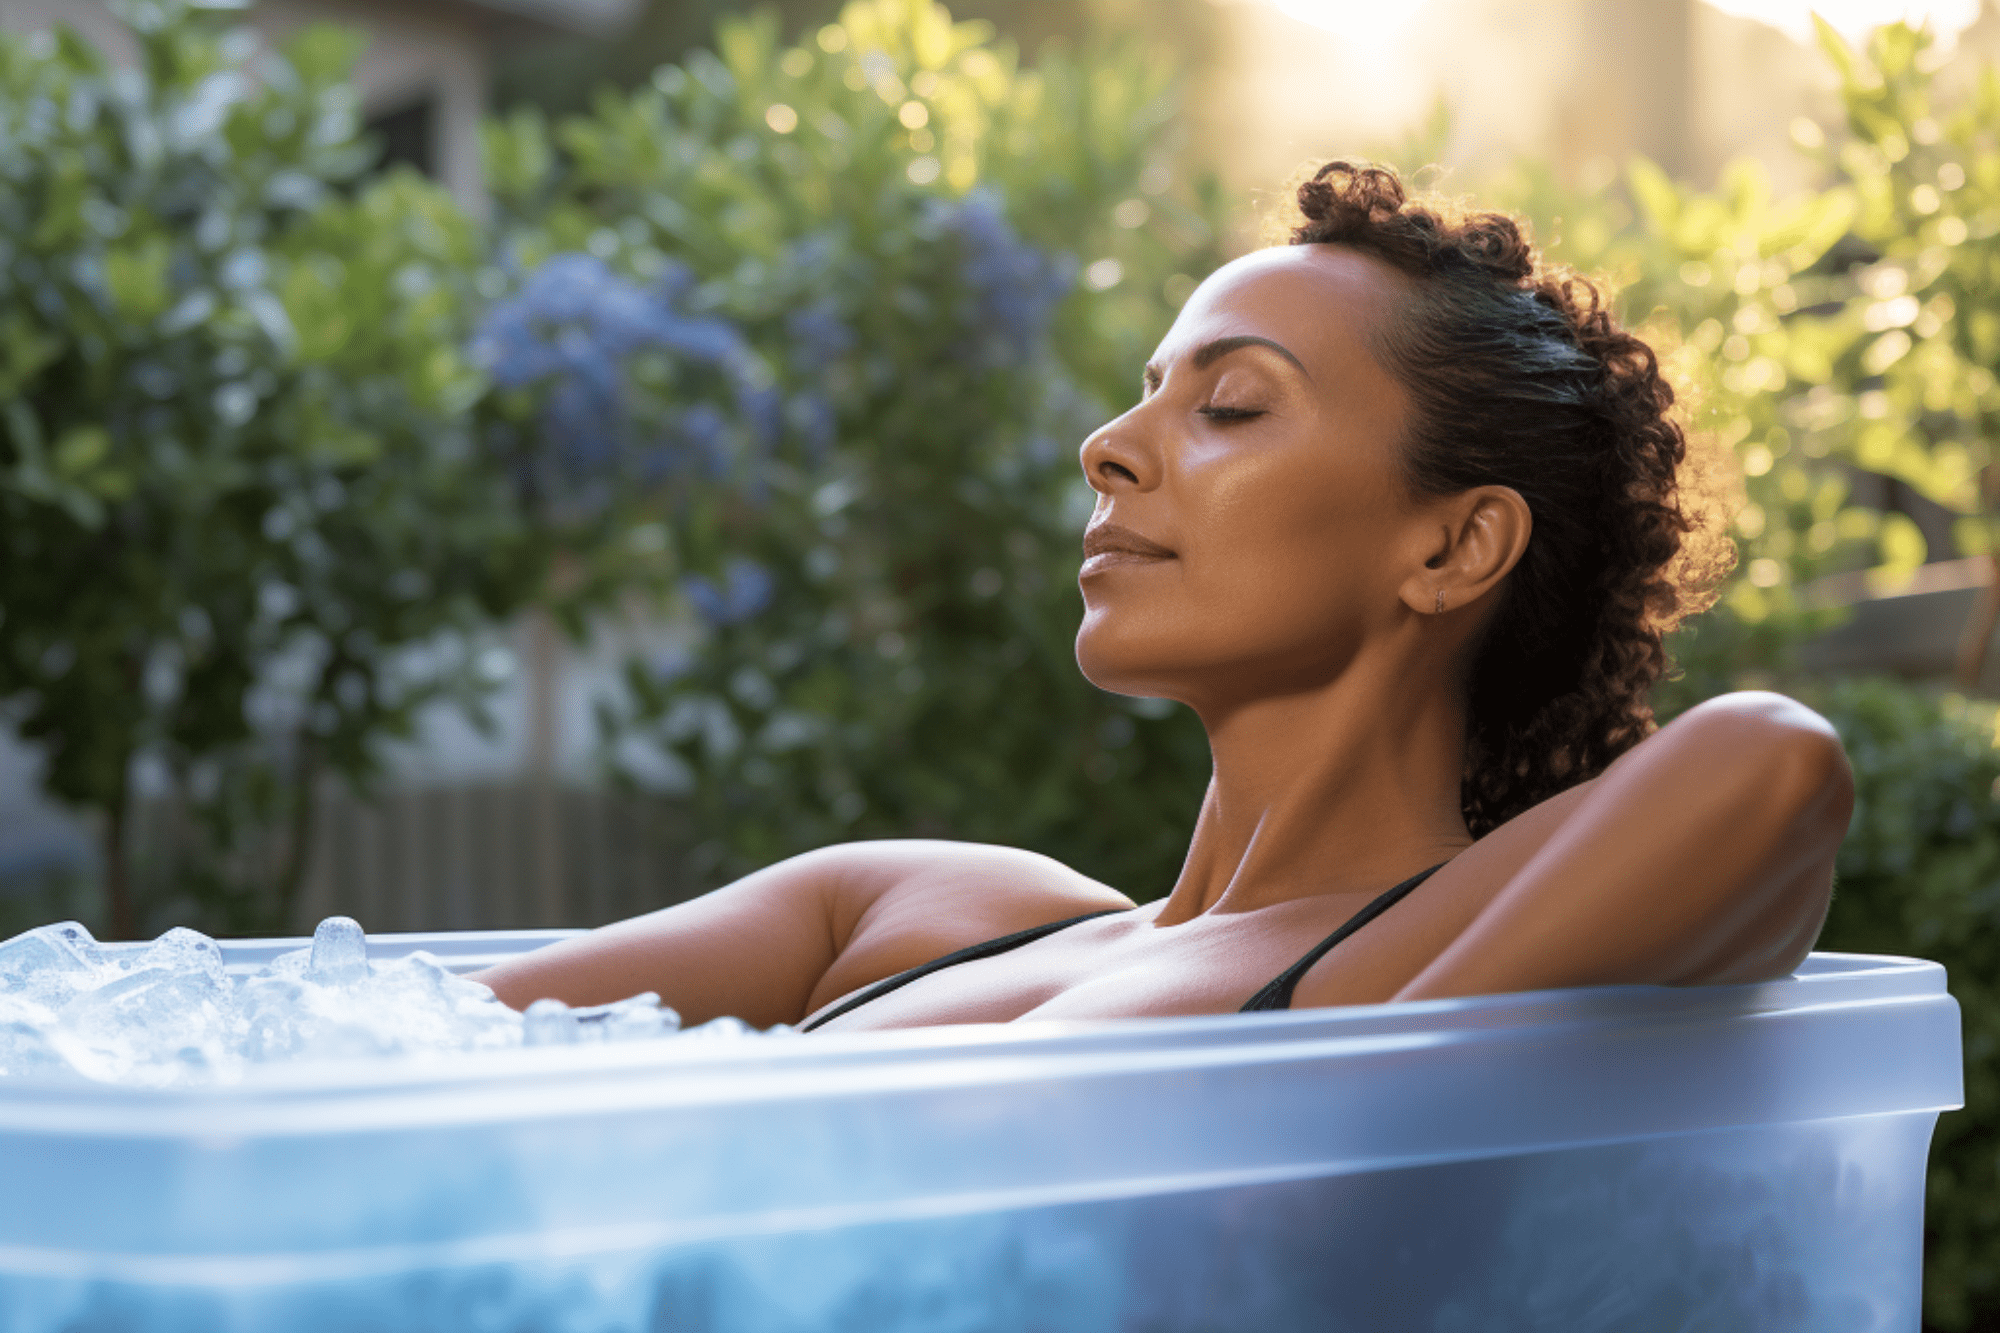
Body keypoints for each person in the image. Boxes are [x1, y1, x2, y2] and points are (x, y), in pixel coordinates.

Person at [473, 161, 1851, 1034]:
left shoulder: (1402, 960)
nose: (1110, 446)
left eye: (1233, 404)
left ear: (1452, 548)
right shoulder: (912, 908)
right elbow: (376, 1049)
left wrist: (1360, 1103)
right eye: (1146, 394)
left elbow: (1771, 764)